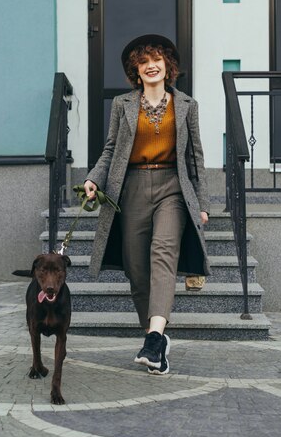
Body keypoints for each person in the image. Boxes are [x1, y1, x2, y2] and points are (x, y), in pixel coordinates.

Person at [84, 34, 211, 374]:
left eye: (157, 59)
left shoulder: (186, 105)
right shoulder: (122, 105)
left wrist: (201, 203)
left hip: (173, 186)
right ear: (136, 71)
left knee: (163, 253)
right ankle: (154, 343)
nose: (151, 65)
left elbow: (195, 158)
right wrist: (93, 178)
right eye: (144, 61)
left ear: (168, 66)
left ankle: (155, 335)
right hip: (132, 188)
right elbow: (111, 149)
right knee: (136, 268)